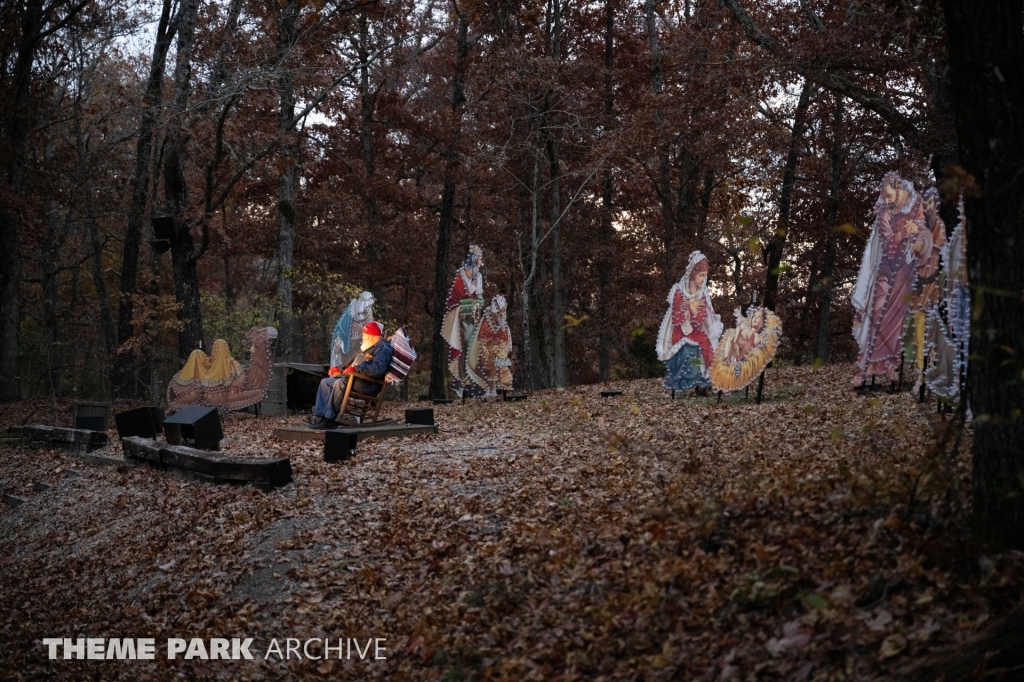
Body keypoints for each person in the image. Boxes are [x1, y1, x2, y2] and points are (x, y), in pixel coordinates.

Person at [851, 171, 933, 386]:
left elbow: (925, 232)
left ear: (898, 189)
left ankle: (888, 365)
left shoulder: (916, 205)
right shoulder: (884, 213)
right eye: (884, 197)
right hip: (885, 269)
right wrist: (902, 235)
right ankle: (866, 366)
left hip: (905, 271)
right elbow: (887, 243)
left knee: (897, 320)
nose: (886, 200)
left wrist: (917, 229)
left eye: (889, 196)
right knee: (877, 312)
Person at [656, 251, 723, 392]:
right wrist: (686, 312)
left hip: (696, 331)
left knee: (707, 345)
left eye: (705, 275)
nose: (703, 279)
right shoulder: (679, 292)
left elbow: (701, 318)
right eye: (701, 275)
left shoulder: (702, 294)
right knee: (690, 348)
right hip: (681, 331)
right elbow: (676, 317)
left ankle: (704, 385)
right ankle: (687, 382)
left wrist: (692, 309)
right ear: (693, 273)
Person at [310, 321, 393, 429]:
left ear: (372, 336)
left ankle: (329, 419)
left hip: (368, 384)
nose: (362, 339)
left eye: (364, 336)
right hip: (355, 379)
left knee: (339, 383)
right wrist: (339, 369)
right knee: (325, 382)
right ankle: (320, 416)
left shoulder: (383, 349)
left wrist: (357, 368)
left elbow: (378, 370)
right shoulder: (367, 347)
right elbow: (351, 364)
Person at [441, 245, 487, 398]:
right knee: (463, 349)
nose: (481, 260)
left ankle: (476, 382)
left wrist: (478, 303)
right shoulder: (460, 276)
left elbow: (479, 296)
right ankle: (463, 380)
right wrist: (465, 305)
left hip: (474, 318)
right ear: (474, 259)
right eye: (480, 257)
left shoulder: (478, 276)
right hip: (461, 318)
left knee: (476, 348)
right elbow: (453, 300)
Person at [474, 293, 514, 398]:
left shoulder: (504, 325)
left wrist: (504, 350)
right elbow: (482, 341)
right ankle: (490, 388)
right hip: (487, 352)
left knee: (500, 362)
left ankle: (501, 387)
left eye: (504, 311)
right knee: (491, 361)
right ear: (496, 312)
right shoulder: (486, 323)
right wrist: (488, 352)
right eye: (501, 311)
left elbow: (507, 340)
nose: (503, 314)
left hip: (499, 352)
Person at [330, 291, 375, 370]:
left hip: (362, 342)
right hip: (348, 343)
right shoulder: (351, 311)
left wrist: (362, 329)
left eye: (369, 306)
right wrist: (339, 342)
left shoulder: (369, 312)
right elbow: (341, 328)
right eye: (367, 306)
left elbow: (371, 328)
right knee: (346, 362)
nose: (368, 308)